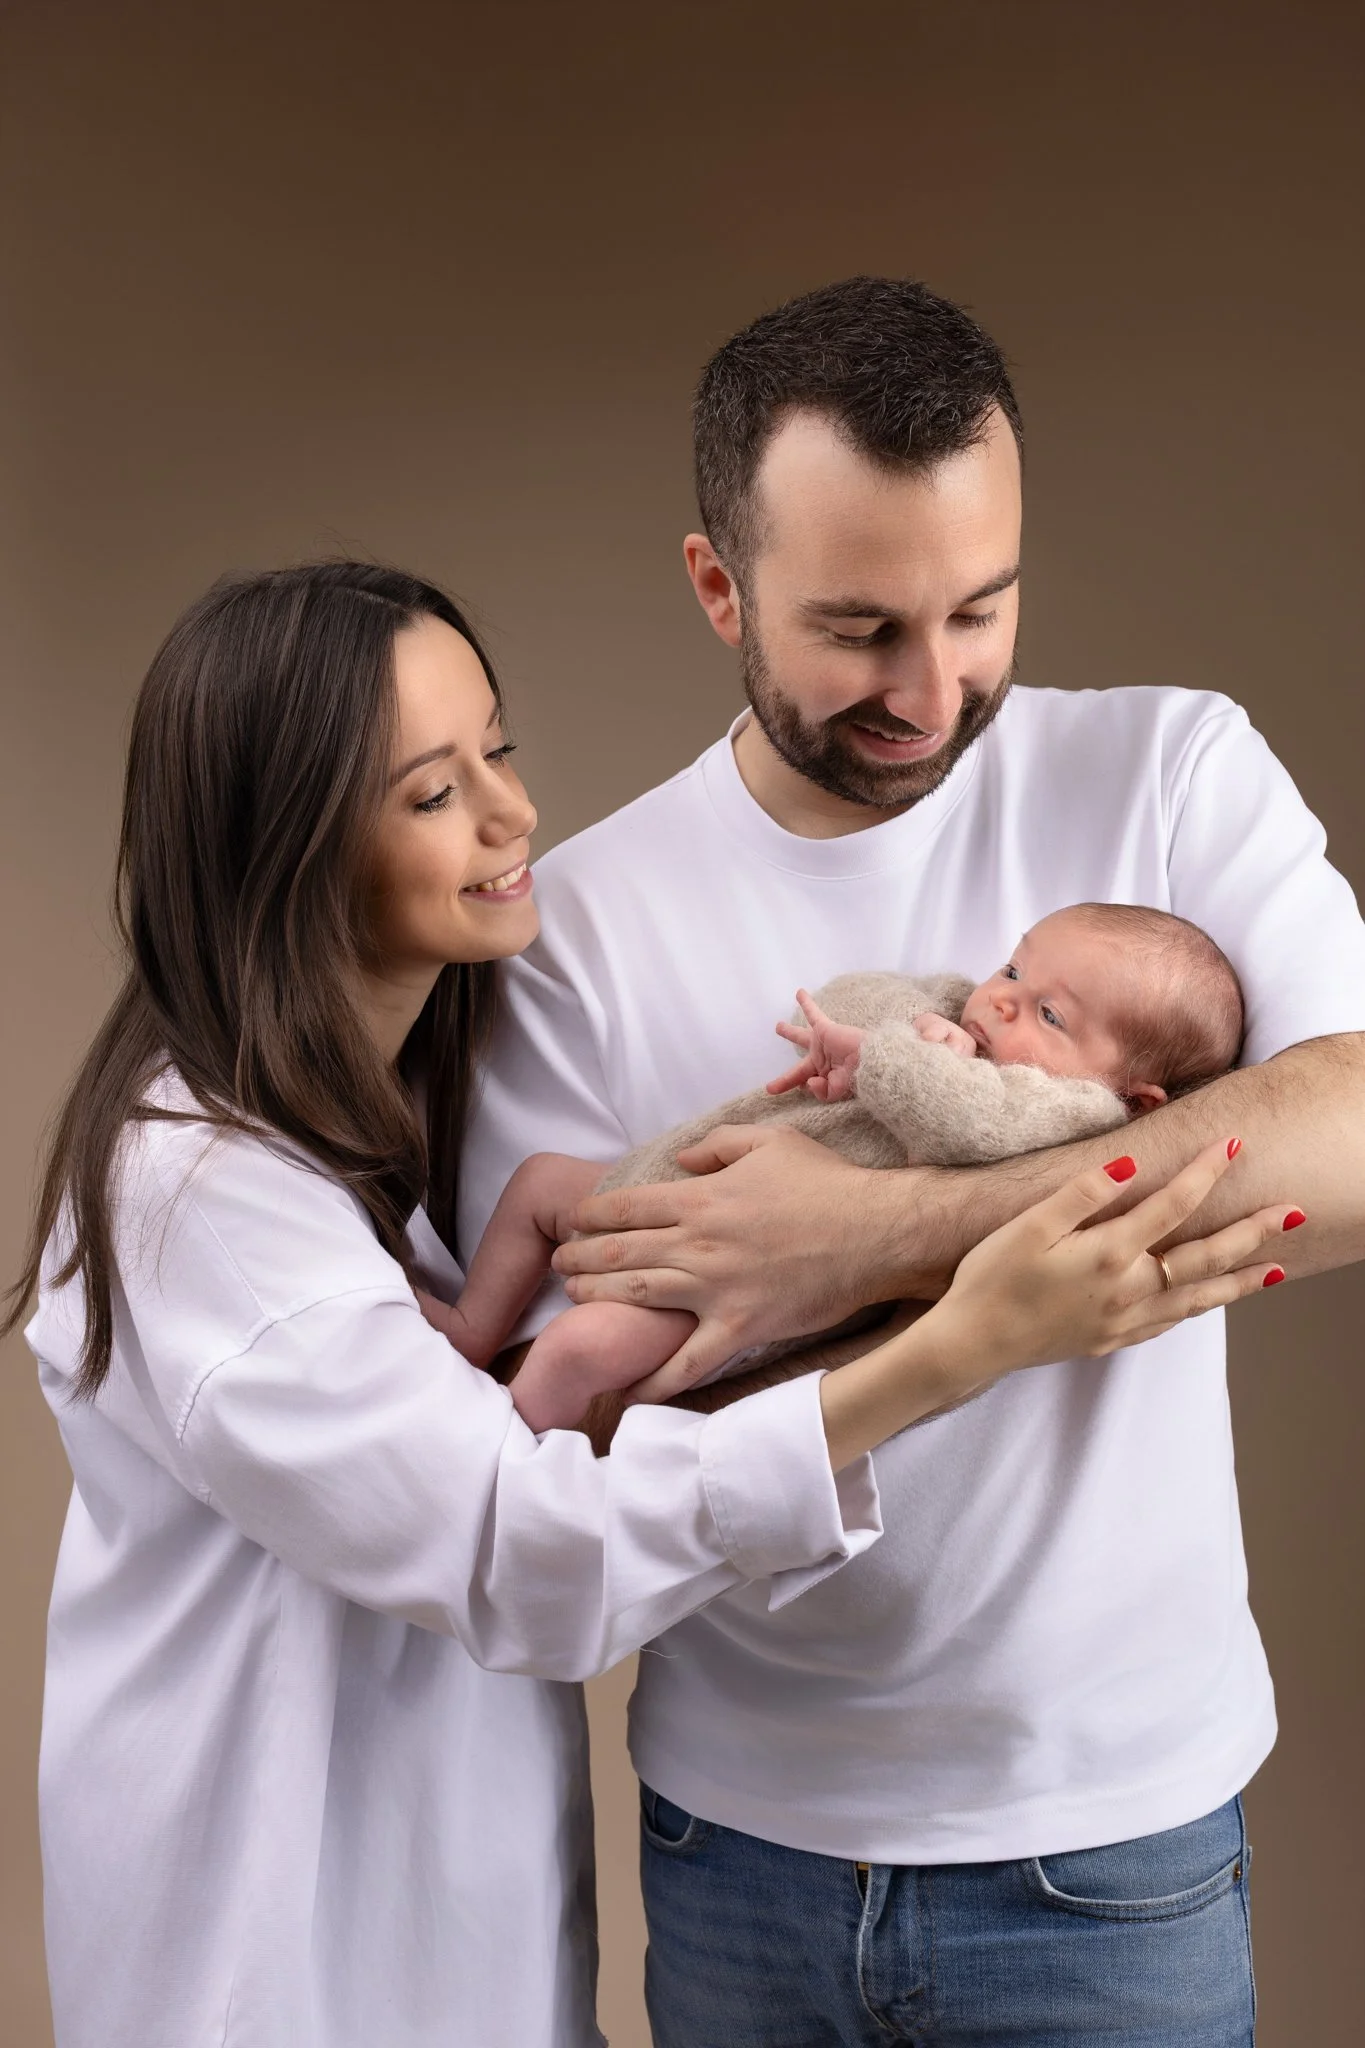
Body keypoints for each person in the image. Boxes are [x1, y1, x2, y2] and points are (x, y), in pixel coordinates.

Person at [4, 562, 1278, 2048]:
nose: (510, 814)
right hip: (288, 1979)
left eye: (501, 751)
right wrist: (950, 1347)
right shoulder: (201, 1198)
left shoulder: (383, 1120)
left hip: (465, 1955)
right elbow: (520, 1547)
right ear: (279, 850)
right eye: (432, 792)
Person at [458, 279, 1365, 2044]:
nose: (933, 689)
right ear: (721, 587)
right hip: (738, 1856)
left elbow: (1357, 1139)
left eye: (981, 607)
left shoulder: (1173, 773)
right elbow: (552, 1445)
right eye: (860, 626)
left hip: (1111, 1852)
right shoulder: (586, 919)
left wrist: (865, 1238)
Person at [440, 901, 1245, 1429]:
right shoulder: (954, 1011)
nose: (1000, 999)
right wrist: (884, 1033)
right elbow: (847, 1002)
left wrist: (903, 1059)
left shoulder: (1066, 1119)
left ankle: (514, 1470)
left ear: (1132, 1102)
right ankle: (476, 1327)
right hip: (670, 1187)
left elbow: (964, 1118)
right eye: (1013, 968)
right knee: (543, 1179)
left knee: (582, 1349)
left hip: (738, 1282)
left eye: (1049, 1013)